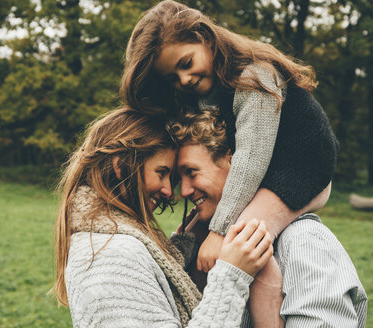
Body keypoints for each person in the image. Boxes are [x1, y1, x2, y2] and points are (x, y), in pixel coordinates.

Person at [120, 0, 339, 282]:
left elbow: (250, 158)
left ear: (205, 39)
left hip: (299, 172)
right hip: (265, 176)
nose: (184, 79)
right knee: (190, 238)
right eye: (172, 77)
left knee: (241, 250)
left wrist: (220, 231)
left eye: (186, 63)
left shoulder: (255, 78)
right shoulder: (206, 93)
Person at [51, 107, 275, 327]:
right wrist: (231, 276)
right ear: (121, 167)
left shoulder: (109, 242)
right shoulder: (109, 257)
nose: (170, 191)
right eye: (161, 172)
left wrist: (186, 242)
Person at [169, 109, 368, 327]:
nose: (184, 191)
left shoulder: (305, 243)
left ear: (233, 160)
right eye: (180, 178)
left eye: (192, 172)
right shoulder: (197, 241)